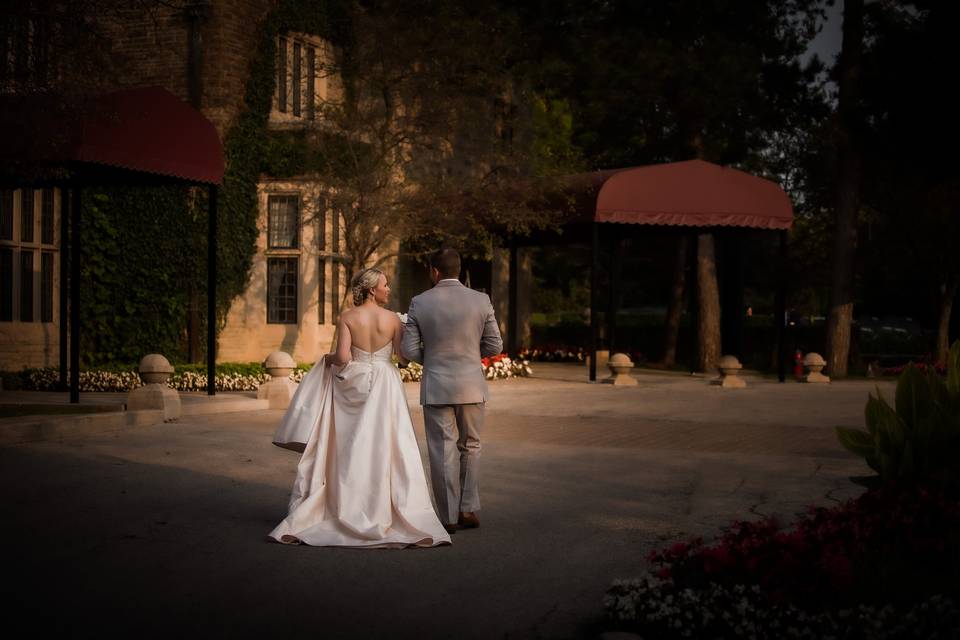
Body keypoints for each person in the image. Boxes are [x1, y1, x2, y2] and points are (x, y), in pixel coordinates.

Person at [269, 268, 451, 548]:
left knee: (350, 445)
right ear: (371, 290)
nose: (388, 289)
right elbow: (402, 358)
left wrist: (326, 360)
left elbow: (342, 357)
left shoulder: (347, 317)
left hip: (353, 383)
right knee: (387, 444)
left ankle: (343, 505)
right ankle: (386, 507)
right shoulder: (392, 319)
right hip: (385, 384)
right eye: (385, 285)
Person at [401, 247, 503, 534]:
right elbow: (495, 346)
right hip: (471, 384)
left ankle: (447, 517)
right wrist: (471, 356)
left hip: (436, 385)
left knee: (441, 449)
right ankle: (467, 508)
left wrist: (432, 359)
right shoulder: (481, 300)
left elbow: (408, 350)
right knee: (471, 446)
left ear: (434, 271)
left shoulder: (419, 302)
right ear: (459, 270)